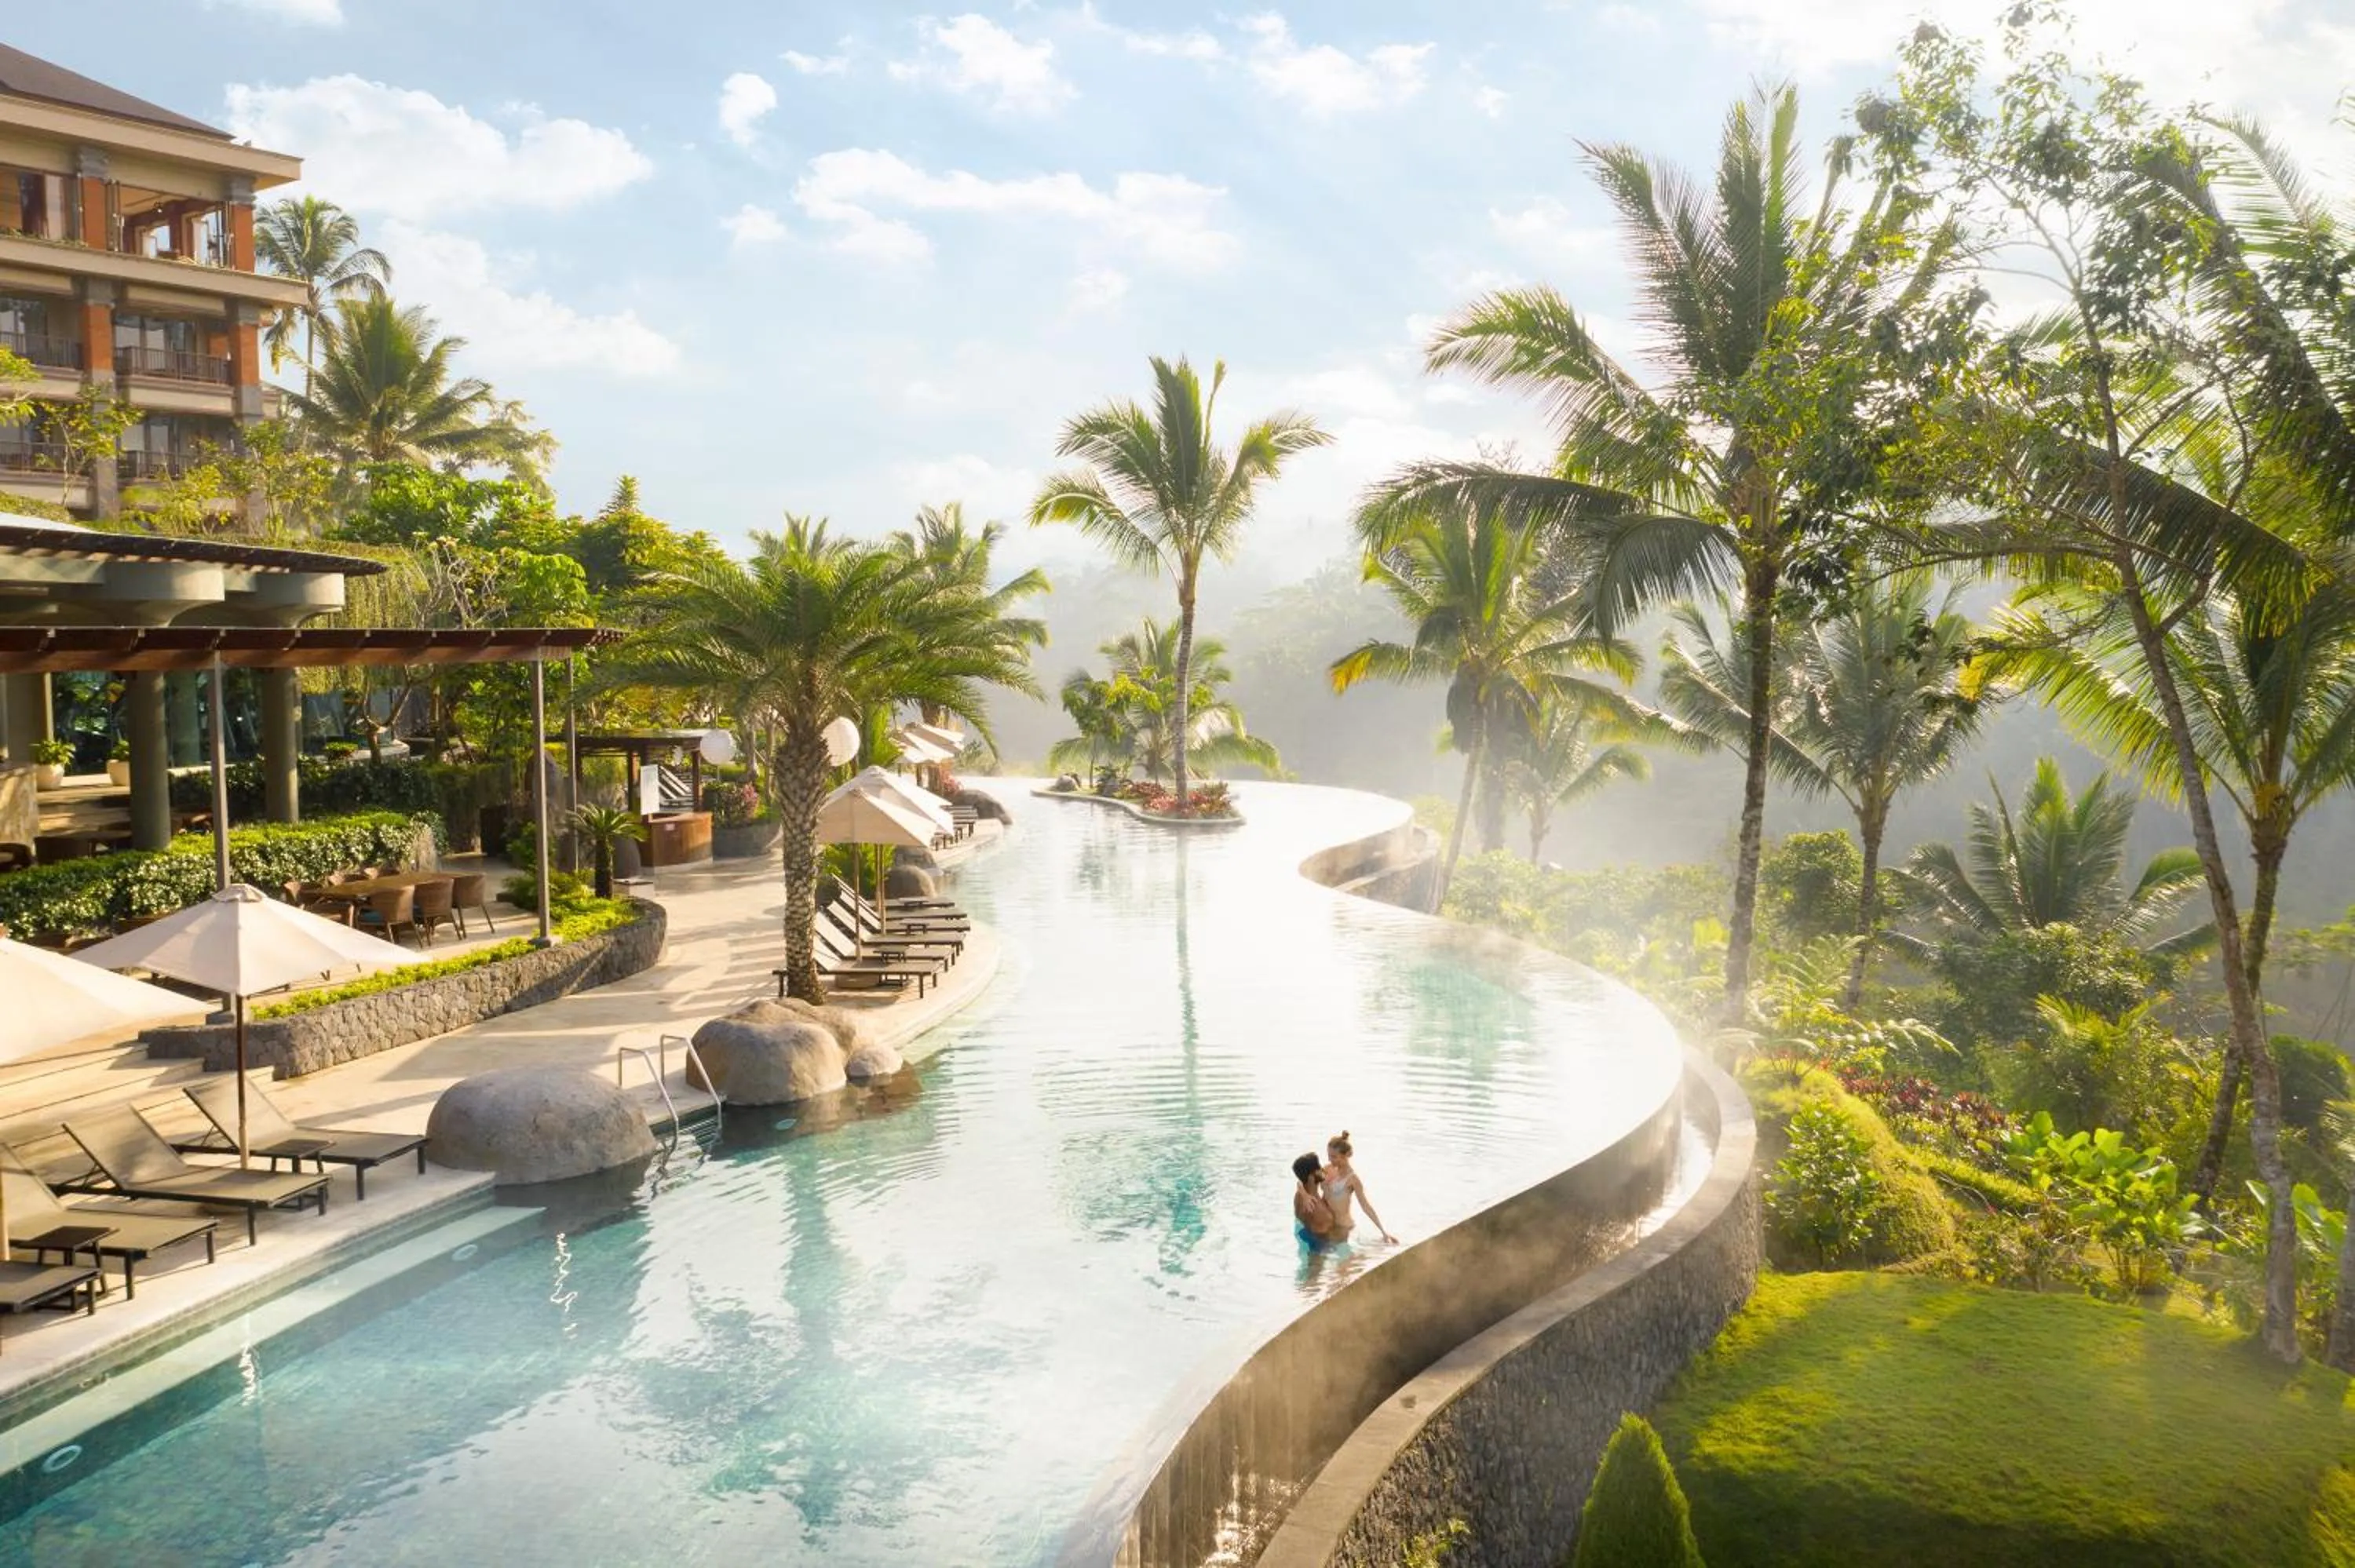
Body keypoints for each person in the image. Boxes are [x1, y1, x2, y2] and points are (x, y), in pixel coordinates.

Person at [1322, 1131, 1397, 1245]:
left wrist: (1383, 1231)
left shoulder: (1353, 1180)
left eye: (1334, 1157)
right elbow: (1307, 1180)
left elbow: (1366, 1206)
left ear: (1345, 1156)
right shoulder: (1328, 1169)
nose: (1329, 1160)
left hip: (1344, 1228)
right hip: (1329, 1227)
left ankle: (1383, 1242)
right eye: (1329, 1155)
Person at [1293, 1152, 1339, 1249]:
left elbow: (1300, 1183)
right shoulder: (1316, 1208)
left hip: (1306, 1234)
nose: (1322, 1169)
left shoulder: (1300, 1195)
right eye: (1318, 1168)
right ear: (1311, 1176)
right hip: (1320, 1246)